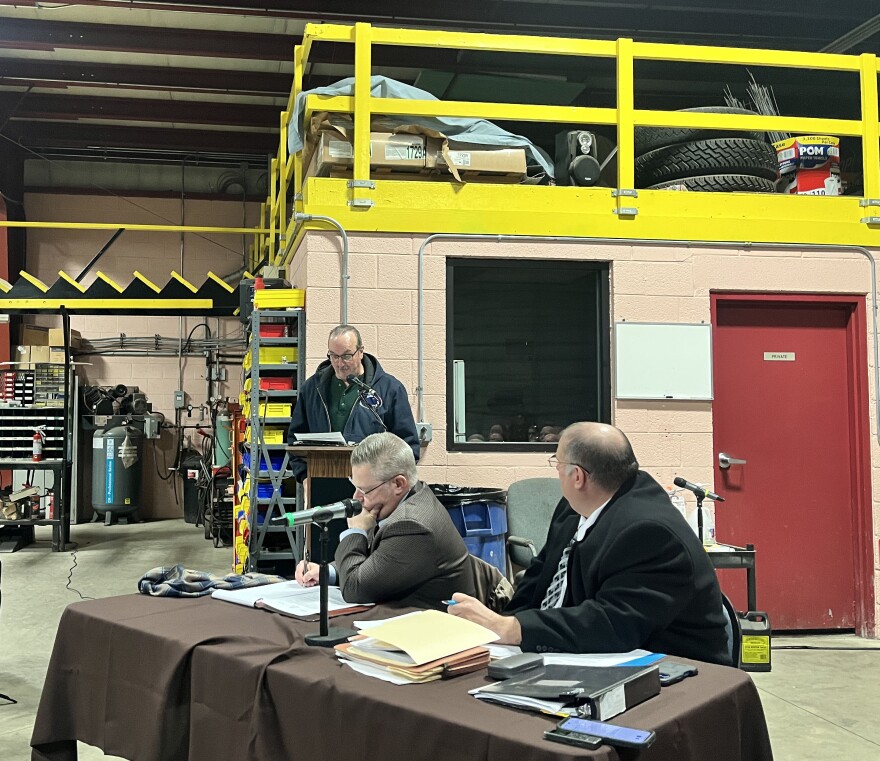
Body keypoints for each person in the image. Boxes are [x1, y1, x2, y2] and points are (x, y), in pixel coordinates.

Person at [448, 422, 730, 665]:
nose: (557, 472)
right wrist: (496, 628)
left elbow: (611, 622)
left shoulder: (649, 532)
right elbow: (539, 577)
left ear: (578, 477)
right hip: (581, 653)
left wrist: (512, 629)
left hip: (673, 671)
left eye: (557, 464)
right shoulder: (574, 508)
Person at [295, 432, 476, 609]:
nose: (356, 497)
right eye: (354, 486)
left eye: (364, 490)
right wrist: (327, 572)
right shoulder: (413, 496)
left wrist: (355, 532)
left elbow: (354, 589)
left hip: (432, 622)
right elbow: (378, 563)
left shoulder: (411, 525)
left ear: (398, 484)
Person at [287, 324, 420, 555]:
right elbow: (294, 440)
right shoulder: (312, 389)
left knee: (366, 557)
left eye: (347, 356)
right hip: (323, 487)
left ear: (361, 352)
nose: (340, 363)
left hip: (372, 493)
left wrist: (388, 488)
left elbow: (409, 447)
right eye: (333, 356)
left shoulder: (389, 389)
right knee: (324, 553)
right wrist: (305, 478)